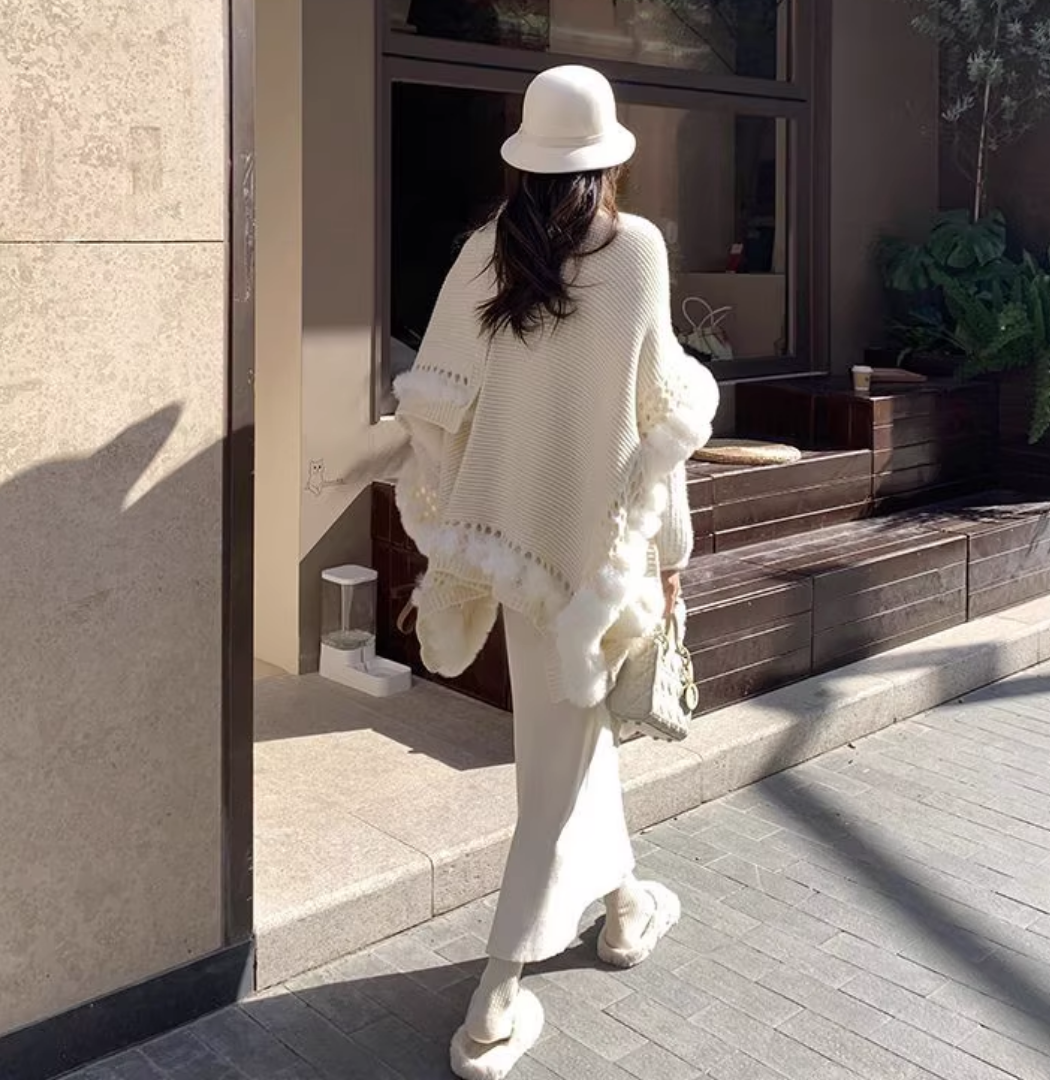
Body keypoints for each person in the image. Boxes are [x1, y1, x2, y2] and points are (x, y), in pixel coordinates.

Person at [392, 65, 719, 1080]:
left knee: (569, 741)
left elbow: (435, 404)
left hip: (516, 552)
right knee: (554, 770)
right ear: (608, 161)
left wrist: (456, 522)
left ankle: (623, 907)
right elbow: (660, 427)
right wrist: (670, 559)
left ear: (525, 161)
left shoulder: (485, 253)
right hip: (598, 559)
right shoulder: (637, 250)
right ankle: (495, 1000)